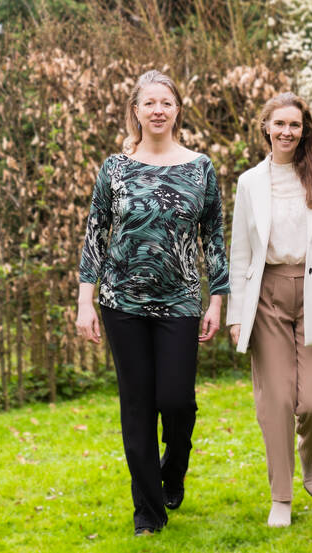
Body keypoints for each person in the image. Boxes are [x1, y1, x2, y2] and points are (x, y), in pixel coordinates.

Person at [75, 70, 229, 536]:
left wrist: (217, 299)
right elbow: (95, 234)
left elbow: (214, 238)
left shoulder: (200, 167)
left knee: (177, 401)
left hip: (181, 301)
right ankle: (148, 511)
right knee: (138, 405)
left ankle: (172, 471)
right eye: (149, 103)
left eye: (166, 102)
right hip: (122, 302)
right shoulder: (115, 168)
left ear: (177, 109)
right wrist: (86, 302)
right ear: (136, 111)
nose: (158, 110)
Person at [227, 92, 312, 528]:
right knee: (277, 401)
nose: (287, 132)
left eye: (296, 125)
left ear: (305, 130)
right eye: (280, 124)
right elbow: (241, 252)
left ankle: (308, 449)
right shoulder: (249, 183)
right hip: (265, 294)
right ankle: (281, 499)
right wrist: (235, 313)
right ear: (265, 126)